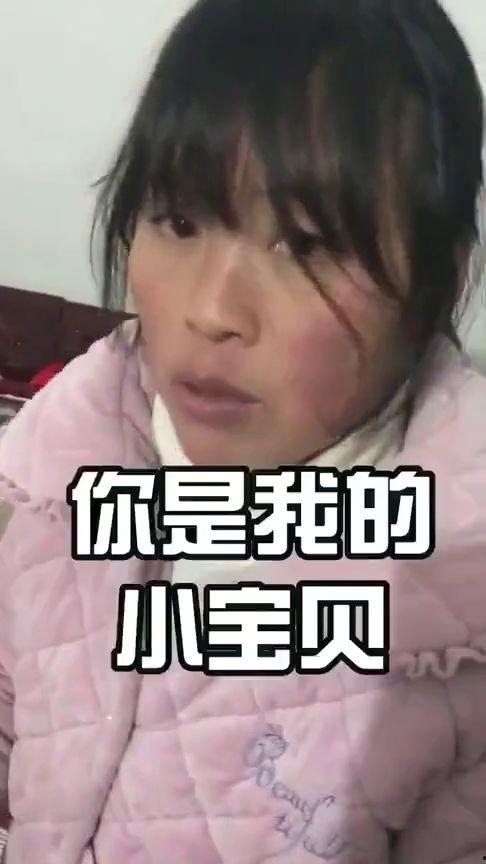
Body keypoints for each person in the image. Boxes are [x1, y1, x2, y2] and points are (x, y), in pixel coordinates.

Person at [1, 1, 486, 861]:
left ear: (437, 284)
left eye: (308, 244)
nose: (212, 311)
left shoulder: (457, 608)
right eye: (180, 222)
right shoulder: (59, 462)